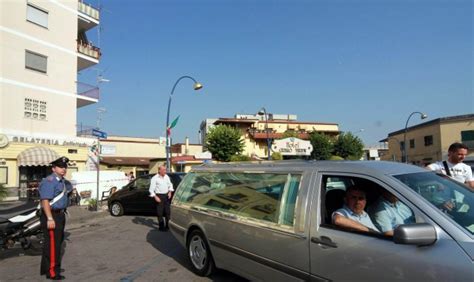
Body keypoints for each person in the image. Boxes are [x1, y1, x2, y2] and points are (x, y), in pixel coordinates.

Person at [38, 156, 73, 280]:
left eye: (65, 167)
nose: (63, 169)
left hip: (60, 214)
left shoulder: (61, 181)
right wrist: (49, 218)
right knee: (53, 246)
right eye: (60, 167)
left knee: (55, 243)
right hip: (52, 215)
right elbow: (45, 201)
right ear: (54, 168)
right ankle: (52, 272)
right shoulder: (50, 181)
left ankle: (48, 267)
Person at [149, 165, 173, 231]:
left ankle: (168, 226)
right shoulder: (154, 178)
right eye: (164, 170)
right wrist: (155, 197)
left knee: (168, 212)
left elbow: (170, 184)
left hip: (166, 196)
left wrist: (170, 191)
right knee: (160, 213)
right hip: (159, 196)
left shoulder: (166, 176)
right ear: (159, 170)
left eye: (165, 170)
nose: (165, 171)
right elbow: (151, 190)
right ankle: (161, 227)